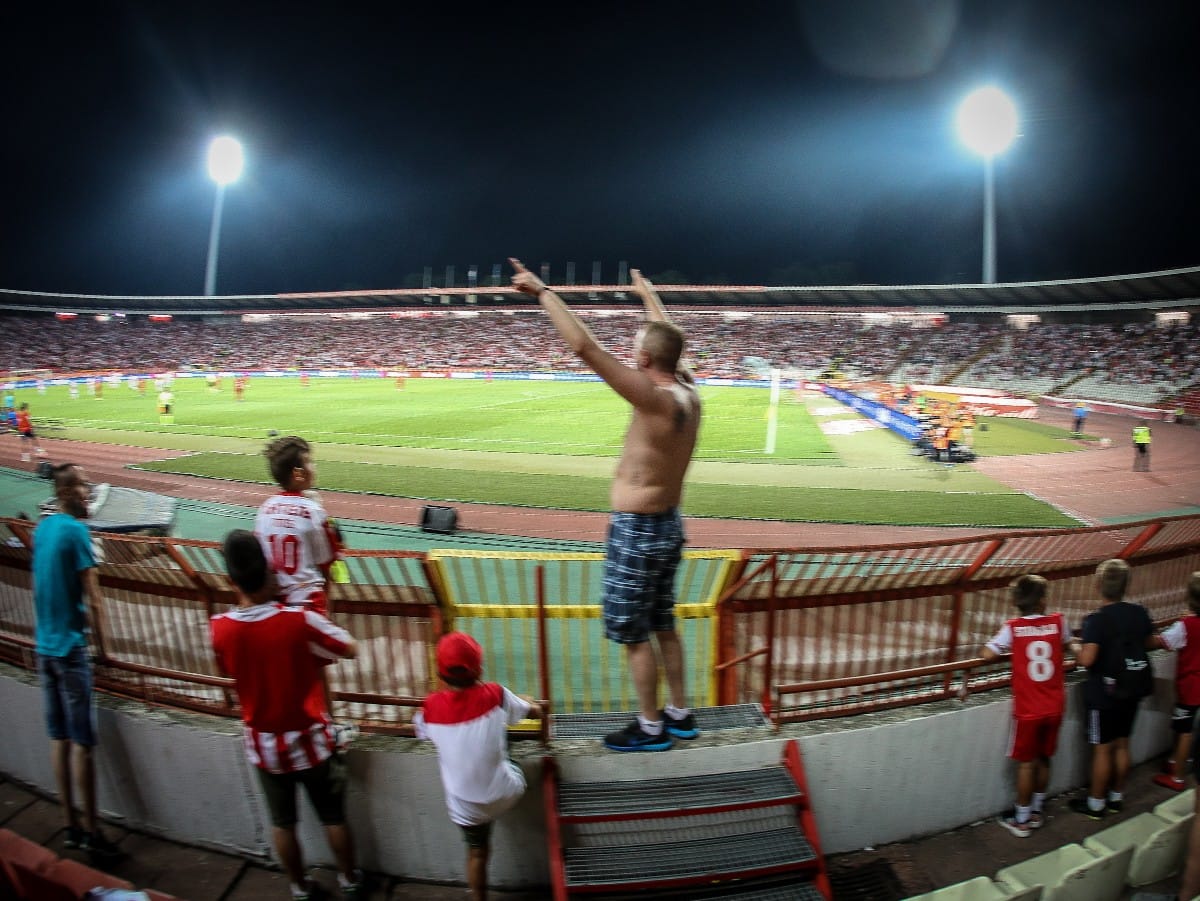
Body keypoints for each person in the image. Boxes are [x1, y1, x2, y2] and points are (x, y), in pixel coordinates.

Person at [510, 259, 701, 752]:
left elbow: (584, 346)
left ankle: (651, 726)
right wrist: (647, 294)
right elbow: (669, 336)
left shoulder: (653, 399)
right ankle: (680, 714)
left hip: (637, 532)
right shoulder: (689, 392)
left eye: (636, 346)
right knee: (663, 624)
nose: (631, 349)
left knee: (634, 633)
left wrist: (542, 292)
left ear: (643, 360)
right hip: (668, 526)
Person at [211, 530, 363, 901]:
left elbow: (229, 669)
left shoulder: (219, 629)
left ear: (231, 580)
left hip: (264, 746)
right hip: (310, 740)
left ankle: (298, 888)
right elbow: (350, 648)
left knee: (283, 824)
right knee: (333, 817)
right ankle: (350, 882)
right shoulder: (298, 621)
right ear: (271, 571)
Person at [414, 632, 543, 901]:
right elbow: (533, 713)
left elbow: (421, 731)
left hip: (466, 808)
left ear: (440, 673)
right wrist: (535, 706)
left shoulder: (430, 708)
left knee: (477, 853)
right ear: (479, 668)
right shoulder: (495, 694)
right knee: (503, 735)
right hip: (507, 793)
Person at [32, 463, 119, 858]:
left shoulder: (43, 528)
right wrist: (104, 650)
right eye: (84, 485)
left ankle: (69, 826)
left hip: (44, 649)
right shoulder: (76, 532)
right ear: (67, 492)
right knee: (83, 743)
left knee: (59, 739)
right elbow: (95, 598)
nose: (90, 492)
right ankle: (93, 831)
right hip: (70, 651)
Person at [981, 574, 1077, 837]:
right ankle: (1035, 812)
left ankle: (1021, 820)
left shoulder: (1013, 627)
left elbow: (989, 653)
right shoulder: (1058, 621)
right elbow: (1071, 646)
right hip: (1054, 705)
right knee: (1045, 758)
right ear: (1042, 601)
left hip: (1028, 710)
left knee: (1026, 764)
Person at [1070, 558, 1159, 819]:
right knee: (1123, 744)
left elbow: (1087, 659)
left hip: (1104, 695)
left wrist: (1074, 646)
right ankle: (1116, 796)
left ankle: (1096, 803)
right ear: (1126, 585)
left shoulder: (1096, 620)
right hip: (1131, 690)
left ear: (1098, 585)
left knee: (1102, 749)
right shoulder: (1139, 612)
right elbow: (1150, 642)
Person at [255, 436, 344, 616]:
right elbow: (326, 566)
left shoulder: (264, 510)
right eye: (310, 462)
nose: (315, 467)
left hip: (274, 607)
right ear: (298, 474)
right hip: (309, 606)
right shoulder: (313, 511)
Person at [1150, 572, 1200, 791]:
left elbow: (1161, 642)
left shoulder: (1186, 626)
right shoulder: (1188, 622)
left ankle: (1178, 776)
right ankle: (1175, 762)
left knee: (1184, 730)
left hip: (1191, 686)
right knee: (1183, 727)